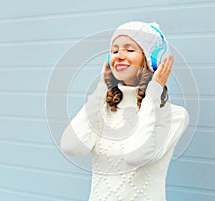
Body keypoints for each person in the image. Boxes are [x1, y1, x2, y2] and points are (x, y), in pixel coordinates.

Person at [60, 21, 189, 201]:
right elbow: (71, 146)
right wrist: (101, 88)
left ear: (151, 60)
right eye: (114, 51)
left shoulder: (174, 116)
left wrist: (153, 92)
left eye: (129, 50)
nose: (119, 55)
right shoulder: (103, 109)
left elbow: (135, 156)